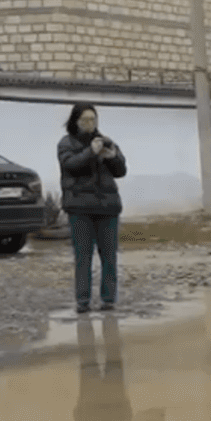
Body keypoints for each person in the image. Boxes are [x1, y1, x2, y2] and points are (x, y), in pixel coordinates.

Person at [59, 103, 127, 314]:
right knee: (83, 256)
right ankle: (83, 301)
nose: (90, 124)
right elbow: (71, 165)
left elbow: (121, 170)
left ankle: (108, 299)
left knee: (109, 256)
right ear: (75, 121)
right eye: (85, 120)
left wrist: (112, 156)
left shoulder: (106, 141)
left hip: (107, 207)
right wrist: (91, 152)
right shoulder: (66, 143)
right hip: (80, 208)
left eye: (93, 119)